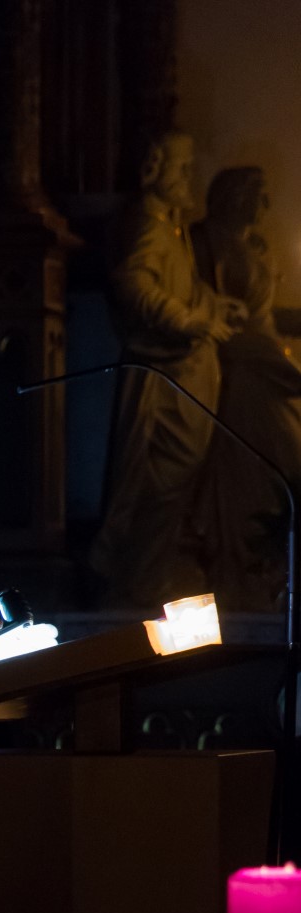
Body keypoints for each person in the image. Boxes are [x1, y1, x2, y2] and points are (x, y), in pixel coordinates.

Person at [88, 131, 246, 610]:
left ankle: (148, 581)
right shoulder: (149, 226)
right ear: (154, 169)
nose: (188, 177)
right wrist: (190, 320)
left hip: (180, 378)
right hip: (162, 386)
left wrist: (213, 307)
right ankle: (137, 584)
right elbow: (135, 286)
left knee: (171, 490)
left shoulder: (169, 227)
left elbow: (180, 288)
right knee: (154, 486)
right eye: (181, 168)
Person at [191, 166, 301, 610]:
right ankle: (245, 573)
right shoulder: (205, 242)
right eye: (259, 194)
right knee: (255, 469)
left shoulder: (255, 248)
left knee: (286, 462)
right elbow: (206, 307)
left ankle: (273, 571)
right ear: (235, 197)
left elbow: (266, 318)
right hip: (244, 374)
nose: (266, 205)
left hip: (265, 365)